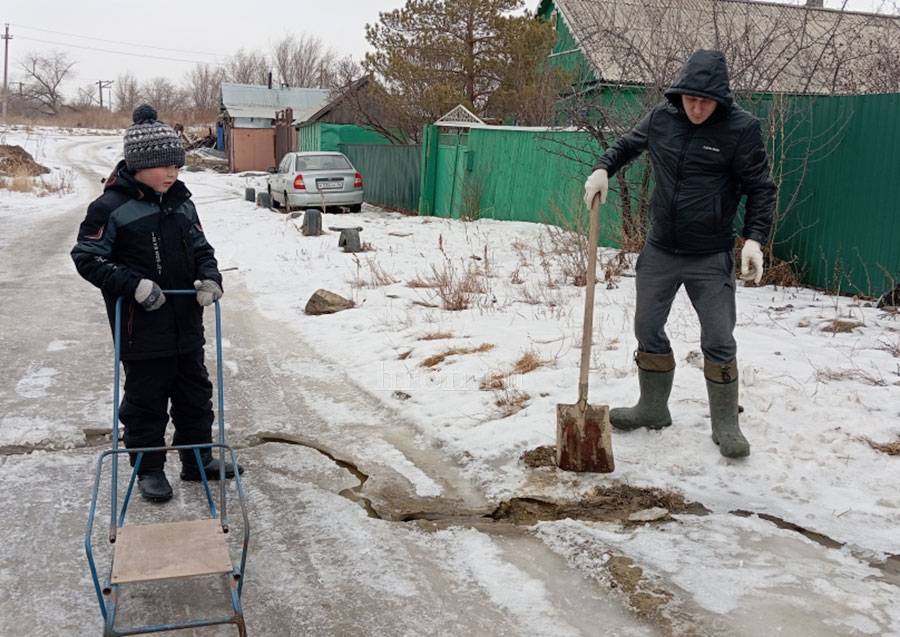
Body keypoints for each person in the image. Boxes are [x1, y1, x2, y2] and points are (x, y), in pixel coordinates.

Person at [583, 50, 776, 458]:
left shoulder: (741, 130)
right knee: (647, 328)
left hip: (710, 255)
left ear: (720, 100)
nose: (697, 107)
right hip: (660, 250)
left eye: (705, 101)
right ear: (680, 94)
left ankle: (725, 422)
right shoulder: (662, 118)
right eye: (690, 99)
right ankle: (652, 408)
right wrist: (603, 168)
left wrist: (754, 239)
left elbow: (761, 187)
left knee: (719, 338)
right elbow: (625, 146)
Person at [72, 104, 243, 502]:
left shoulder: (182, 203)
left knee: (194, 396)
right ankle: (149, 468)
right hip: (140, 329)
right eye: (164, 166)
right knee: (146, 403)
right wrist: (134, 285)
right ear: (138, 165)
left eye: (177, 167)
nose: (172, 174)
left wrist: (211, 279)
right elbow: (87, 257)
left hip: (186, 325)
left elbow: (202, 249)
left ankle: (197, 460)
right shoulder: (110, 208)